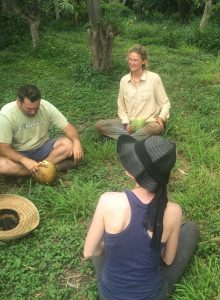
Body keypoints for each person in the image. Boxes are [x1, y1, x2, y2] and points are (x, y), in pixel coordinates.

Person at [84, 135, 199, 299]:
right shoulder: (173, 211)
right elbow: (167, 260)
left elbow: (89, 252)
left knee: (96, 227)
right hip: (153, 295)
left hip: (110, 295)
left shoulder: (108, 201)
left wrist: (107, 247)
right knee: (191, 229)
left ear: (132, 172)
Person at [0, 84, 84, 178]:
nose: (33, 112)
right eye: (29, 109)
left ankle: (34, 172)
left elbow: (68, 127)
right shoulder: (6, 115)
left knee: (68, 144)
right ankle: (52, 168)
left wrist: (76, 142)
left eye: (36, 108)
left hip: (43, 147)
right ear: (18, 102)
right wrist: (24, 160)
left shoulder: (45, 106)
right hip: (20, 152)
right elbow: (4, 148)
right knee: (2, 165)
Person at [96, 44, 171, 141]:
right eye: (130, 59)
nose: (131, 63)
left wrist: (161, 117)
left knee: (155, 128)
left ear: (143, 61)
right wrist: (127, 123)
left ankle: (125, 138)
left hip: (148, 122)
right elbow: (121, 106)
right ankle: (132, 138)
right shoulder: (124, 80)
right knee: (100, 125)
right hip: (129, 123)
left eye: (135, 60)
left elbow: (165, 103)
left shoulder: (154, 78)